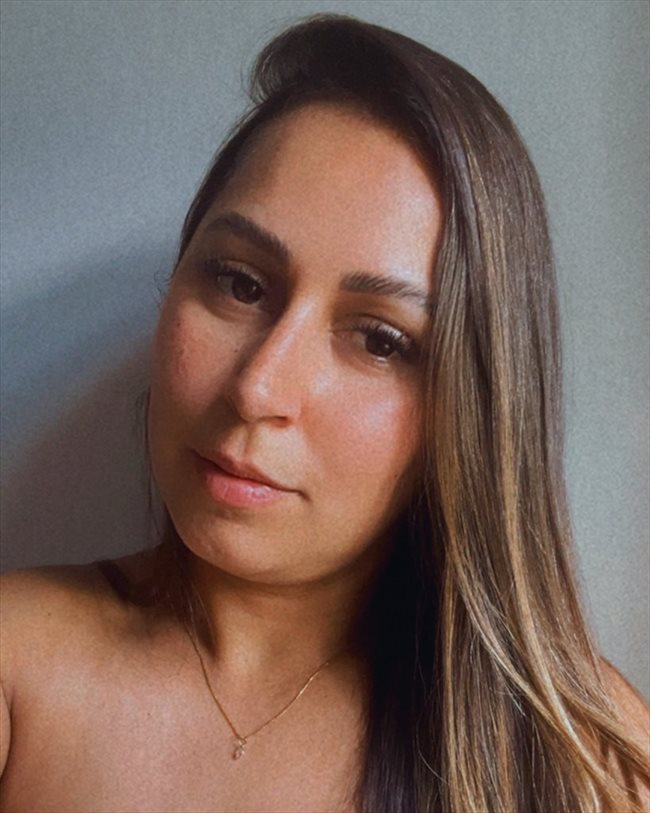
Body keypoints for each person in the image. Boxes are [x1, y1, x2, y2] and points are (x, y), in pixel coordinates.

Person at [0, 13, 648, 813]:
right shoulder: (17, 668)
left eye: (379, 340)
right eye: (241, 284)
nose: (257, 389)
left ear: (473, 412)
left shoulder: (582, 762)